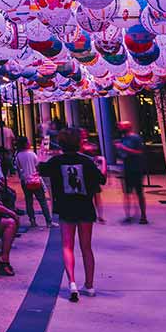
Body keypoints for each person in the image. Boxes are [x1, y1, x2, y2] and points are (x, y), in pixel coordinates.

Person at [47, 128, 105, 302]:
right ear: (79, 142)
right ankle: (89, 285)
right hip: (85, 207)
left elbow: (40, 170)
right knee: (86, 247)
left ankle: (72, 283)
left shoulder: (55, 162)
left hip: (66, 207)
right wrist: (102, 163)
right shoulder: (86, 162)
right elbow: (101, 179)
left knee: (67, 246)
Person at [14, 136, 53, 227]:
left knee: (29, 201)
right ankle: (48, 221)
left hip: (25, 181)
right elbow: (37, 165)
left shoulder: (18, 156)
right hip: (35, 180)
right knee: (42, 201)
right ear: (25, 144)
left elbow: (18, 169)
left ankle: (32, 220)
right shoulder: (32, 154)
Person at [114, 120, 148, 224]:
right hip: (127, 168)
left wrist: (123, 148)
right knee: (127, 193)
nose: (119, 128)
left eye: (121, 126)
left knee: (139, 193)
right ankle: (128, 215)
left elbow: (140, 152)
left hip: (136, 168)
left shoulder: (135, 138)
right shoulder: (123, 138)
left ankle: (143, 215)